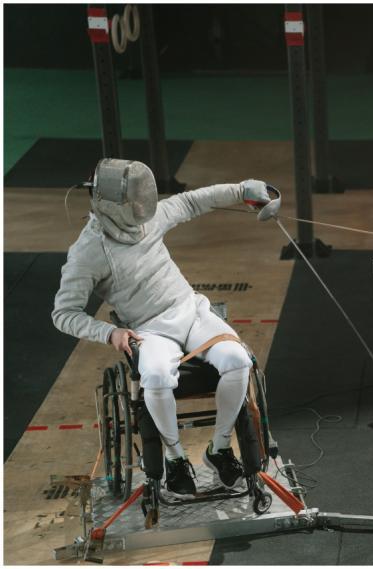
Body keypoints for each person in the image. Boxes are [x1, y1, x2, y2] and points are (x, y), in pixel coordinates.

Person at [52, 158, 271, 498]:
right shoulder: (87, 253)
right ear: (112, 204)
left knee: (238, 359)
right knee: (153, 376)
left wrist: (242, 189)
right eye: (134, 201)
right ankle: (175, 458)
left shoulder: (148, 217)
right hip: (148, 330)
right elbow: (63, 313)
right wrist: (110, 333)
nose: (143, 208)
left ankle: (219, 448)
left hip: (191, 311)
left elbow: (193, 200)